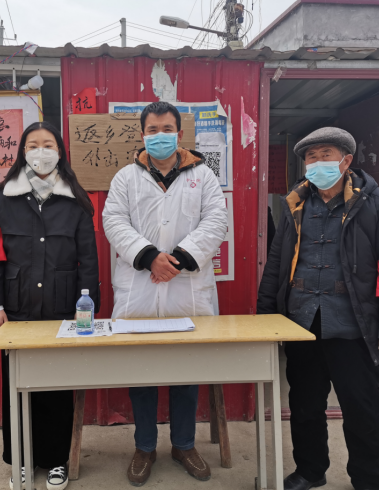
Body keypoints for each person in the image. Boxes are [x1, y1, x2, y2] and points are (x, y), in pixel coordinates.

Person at [257, 127, 379, 490]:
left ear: (346, 160)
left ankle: (367, 479)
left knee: (362, 408)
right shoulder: (295, 204)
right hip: (302, 323)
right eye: (310, 157)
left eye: (325, 154)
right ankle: (310, 470)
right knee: (304, 405)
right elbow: (277, 263)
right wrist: (266, 318)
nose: (317, 162)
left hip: (354, 326)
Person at [102, 101, 228, 486]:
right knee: (141, 374)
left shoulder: (202, 175)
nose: (160, 136)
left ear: (179, 133)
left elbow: (216, 220)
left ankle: (184, 445)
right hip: (139, 290)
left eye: (167, 129)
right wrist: (149, 257)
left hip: (186, 287)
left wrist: (179, 259)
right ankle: (144, 447)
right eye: (153, 130)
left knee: (186, 373)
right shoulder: (125, 177)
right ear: (143, 134)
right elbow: (113, 220)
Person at [0, 121, 99, 490]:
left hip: (62, 308)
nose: (40, 151)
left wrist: (87, 307)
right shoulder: (0, 199)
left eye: (48, 144)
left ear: (60, 152)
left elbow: (88, 260)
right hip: (16, 309)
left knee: (57, 388)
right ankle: (21, 460)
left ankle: (56, 459)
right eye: (33, 145)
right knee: (17, 387)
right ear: (22, 152)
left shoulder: (75, 201)